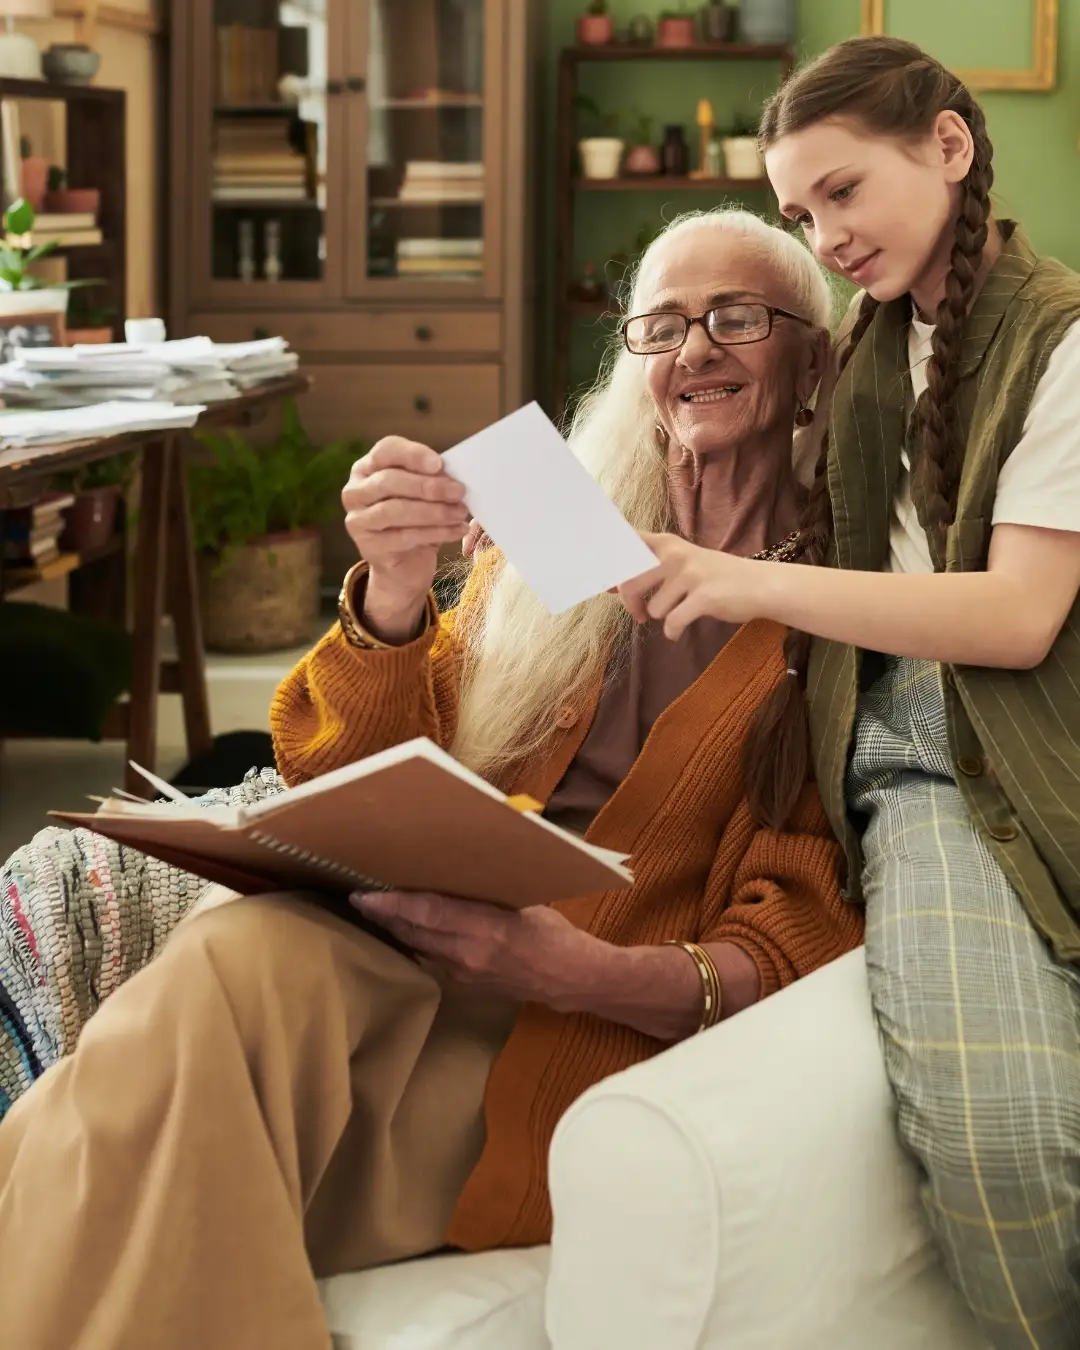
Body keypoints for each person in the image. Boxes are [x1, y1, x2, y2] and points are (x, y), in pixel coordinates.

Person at [0, 207, 863, 1350]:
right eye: (659, 327)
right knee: (227, 951)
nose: (692, 350)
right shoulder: (563, 531)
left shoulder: (839, 617)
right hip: (403, 962)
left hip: (557, 1035)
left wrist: (586, 968)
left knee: (100, 1114)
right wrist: (395, 596)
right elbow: (350, 768)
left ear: (815, 364)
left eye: (736, 319)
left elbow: (801, 930)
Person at [616, 37, 1080, 1350]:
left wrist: (744, 584)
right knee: (1003, 1134)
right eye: (801, 215)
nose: (826, 236)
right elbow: (704, 408)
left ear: (947, 144)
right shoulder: (873, 346)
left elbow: (1016, 614)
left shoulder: (1060, 344)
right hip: (919, 762)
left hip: (1037, 735)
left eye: (841, 194)